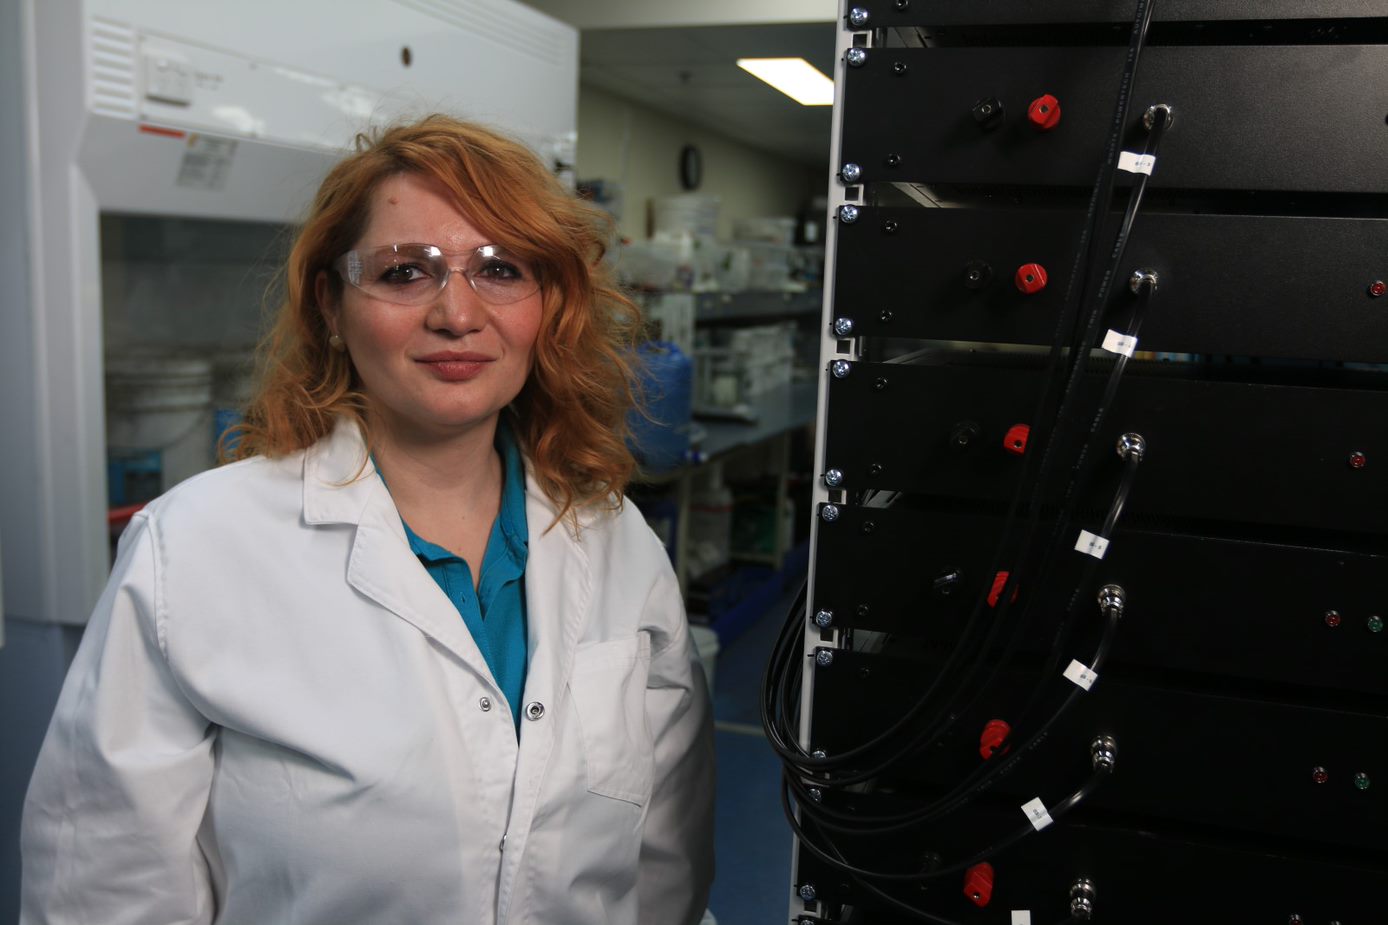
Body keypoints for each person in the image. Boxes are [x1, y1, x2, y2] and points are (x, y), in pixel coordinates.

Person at [21, 114, 716, 925]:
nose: (458, 314)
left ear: (547, 303)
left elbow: (666, 874)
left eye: (501, 269)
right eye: (403, 272)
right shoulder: (195, 550)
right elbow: (102, 894)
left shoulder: (618, 540)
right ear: (330, 304)